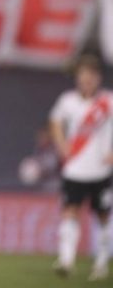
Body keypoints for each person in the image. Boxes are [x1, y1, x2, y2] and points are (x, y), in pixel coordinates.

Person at [50, 55, 113, 280]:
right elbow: (55, 121)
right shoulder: (67, 101)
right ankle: (66, 260)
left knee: (103, 216)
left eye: (91, 76)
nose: (87, 80)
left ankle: (102, 262)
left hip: (100, 170)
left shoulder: (108, 101)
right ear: (77, 78)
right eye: (83, 76)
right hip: (75, 168)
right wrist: (62, 145)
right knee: (70, 211)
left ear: (98, 78)